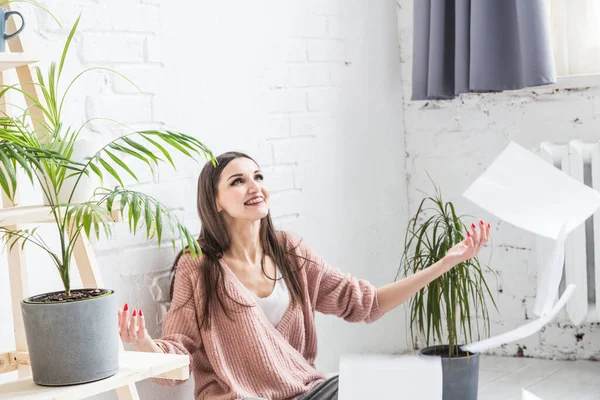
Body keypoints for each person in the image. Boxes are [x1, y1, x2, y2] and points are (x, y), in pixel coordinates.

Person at [117, 151, 491, 400]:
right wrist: (144, 345)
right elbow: (175, 362)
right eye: (237, 181)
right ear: (215, 201)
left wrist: (444, 264)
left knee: (397, 389)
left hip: (308, 392)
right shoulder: (199, 267)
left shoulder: (290, 251)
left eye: (258, 176)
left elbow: (365, 303)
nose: (254, 186)